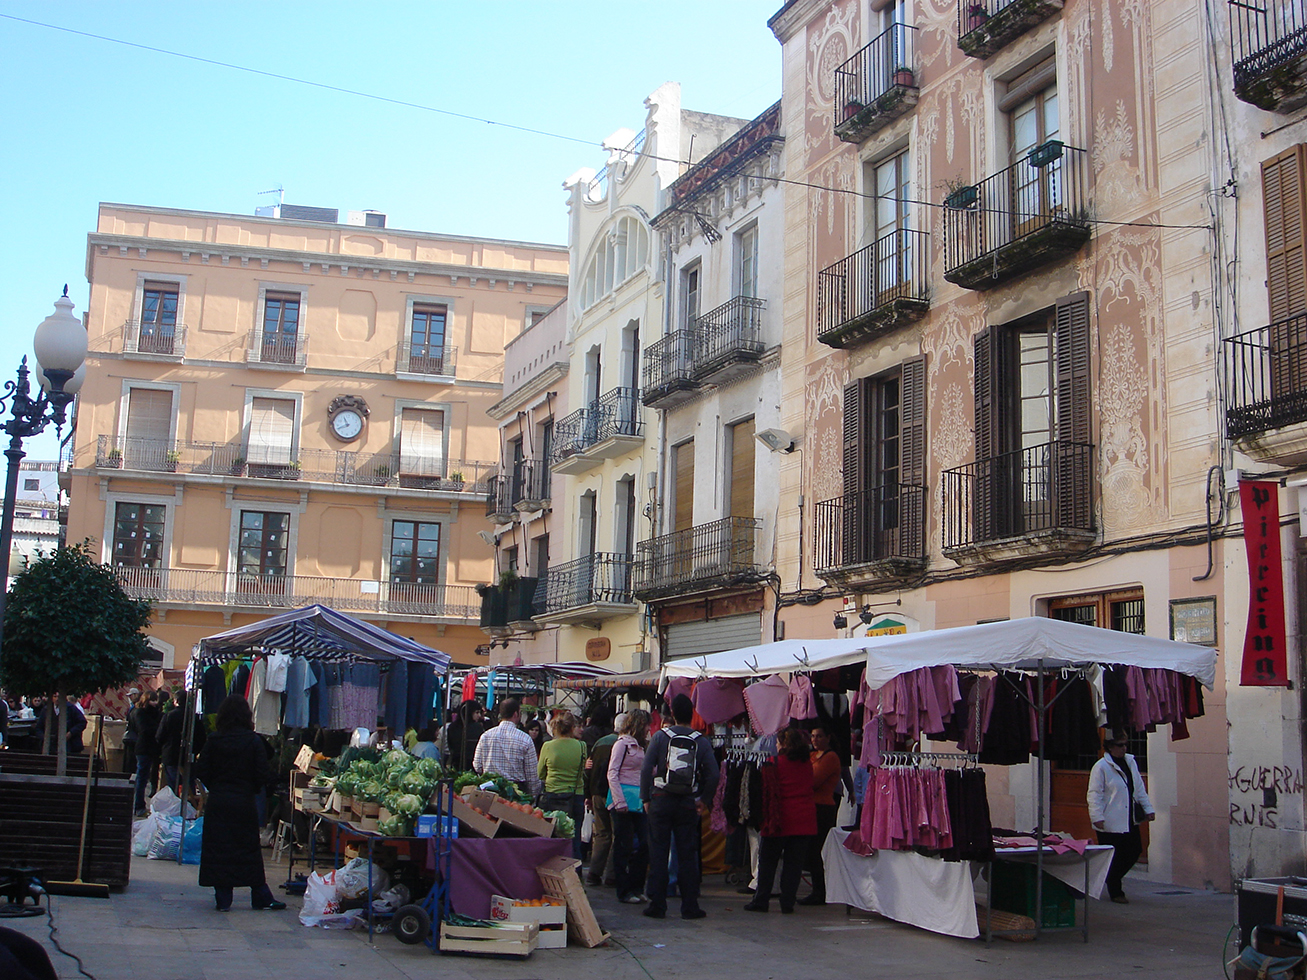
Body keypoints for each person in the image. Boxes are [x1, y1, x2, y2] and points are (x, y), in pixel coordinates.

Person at [193, 695, 285, 911]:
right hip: (243, 801)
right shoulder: (253, 741)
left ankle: (223, 897)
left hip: (219, 802)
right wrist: (252, 787)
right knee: (247, 848)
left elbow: (201, 770)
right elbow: (262, 773)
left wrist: (216, 785)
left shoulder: (214, 740)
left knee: (220, 848)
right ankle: (260, 894)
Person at [640, 693, 719, 920]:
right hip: (687, 803)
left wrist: (646, 798)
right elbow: (713, 774)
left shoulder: (659, 737)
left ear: (671, 713)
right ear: (692, 713)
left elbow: (646, 769)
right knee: (687, 854)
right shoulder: (701, 740)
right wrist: (703, 799)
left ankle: (657, 904)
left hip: (661, 799)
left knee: (658, 852)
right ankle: (690, 905)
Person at [746, 727, 817, 914]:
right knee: (794, 865)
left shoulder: (772, 763)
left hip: (778, 819)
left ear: (784, 744)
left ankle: (761, 900)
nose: (776, 746)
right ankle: (788, 902)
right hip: (804, 819)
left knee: (768, 862)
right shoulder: (807, 763)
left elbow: (766, 793)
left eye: (778, 743)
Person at [1087, 731, 1154, 904]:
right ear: (1110, 747)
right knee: (1113, 854)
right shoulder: (1101, 766)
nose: (1124, 748)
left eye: (1125, 744)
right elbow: (1095, 794)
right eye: (1120, 745)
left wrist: (1148, 809)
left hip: (1129, 817)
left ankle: (1110, 878)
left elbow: (1139, 788)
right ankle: (1116, 890)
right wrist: (1097, 817)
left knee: (1134, 850)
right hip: (1110, 819)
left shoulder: (1130, 762)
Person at [607, 709, 650, 904]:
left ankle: (637, 885)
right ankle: (624, 889)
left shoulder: (642, 746)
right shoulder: (622, 745)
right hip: (623, 799)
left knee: (644, 843)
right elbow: (612, 772)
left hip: (639, 799)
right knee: (623, 844)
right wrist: (619, 800)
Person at [798, 723, 842, 905]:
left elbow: (813, 780)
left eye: (819, 736)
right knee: (809, 849)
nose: (815, 740)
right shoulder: (812, 755)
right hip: (810, 806)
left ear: (828, 738)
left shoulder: (830, 757)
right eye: (813, 736)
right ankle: (817, 889)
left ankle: (820, 891)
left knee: (815, 850)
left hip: (823, 807)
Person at [538, 711, 587, 858]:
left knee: (552, 834)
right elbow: (582, 769)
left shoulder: (547, 746)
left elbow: (540, 773)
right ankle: (575, 872)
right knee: (574, 835)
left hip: (552, 794)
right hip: (575, 794)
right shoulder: (581, 746)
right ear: (572, 727)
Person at [585, 713, 622, 887]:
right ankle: (612, 875)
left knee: (601, 834)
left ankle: (594, 873)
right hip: (615, 794)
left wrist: (588, 795)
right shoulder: (624, 744)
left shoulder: (600, 742)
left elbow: (589, 770)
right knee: (617, 835)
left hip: (597, 793)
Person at [473, 698, 540, 796]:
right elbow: (532, 775)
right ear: (516, 714)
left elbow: (477, 766)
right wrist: (533, 795)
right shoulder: (525, 739)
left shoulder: (486, 736)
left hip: (490, 789)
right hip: (516, 792)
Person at [132, 690, 163, 815]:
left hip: (150, 747)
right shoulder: (140, 713)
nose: (154, 703)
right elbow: (144, 729)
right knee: (142, 777)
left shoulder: (156, 713)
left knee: (146, 775)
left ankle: (141, 804)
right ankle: (138, 805)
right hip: (145, 748)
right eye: (152, 700)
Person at [440, 700, 485, 772]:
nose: (479, 715)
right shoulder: (477, 727)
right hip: (471, 764)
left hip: (455, 764)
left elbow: (450, 745)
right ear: (470, 712)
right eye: (477, 712)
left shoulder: (452, 727)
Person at [121, 687, 140, 775]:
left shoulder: (135, 708)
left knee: (131, 757)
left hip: (133, 736)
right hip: (133, 736)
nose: (130, 698)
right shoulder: (132, 707)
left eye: (131, 696)